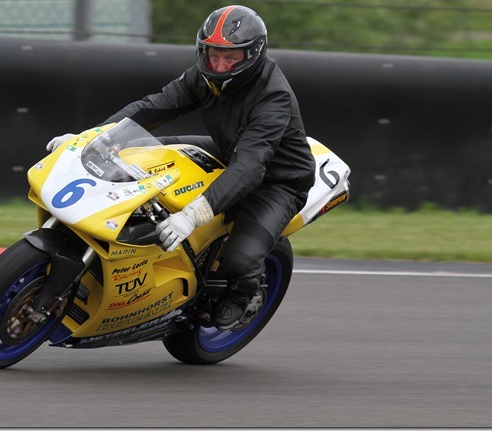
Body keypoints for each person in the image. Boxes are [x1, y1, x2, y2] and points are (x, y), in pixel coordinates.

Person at [47, 5, 316, 330]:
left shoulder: (274, 98)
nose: (218, 65)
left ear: (252, 55)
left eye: (230, 57)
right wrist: (90, 138)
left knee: (238, 260)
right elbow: (151, 109)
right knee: (140, 148)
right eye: (213, 54)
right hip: (227, 150)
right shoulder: (202, 76)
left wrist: (191, 215)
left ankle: (245, 294)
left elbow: (250, 167)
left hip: (277, 180)